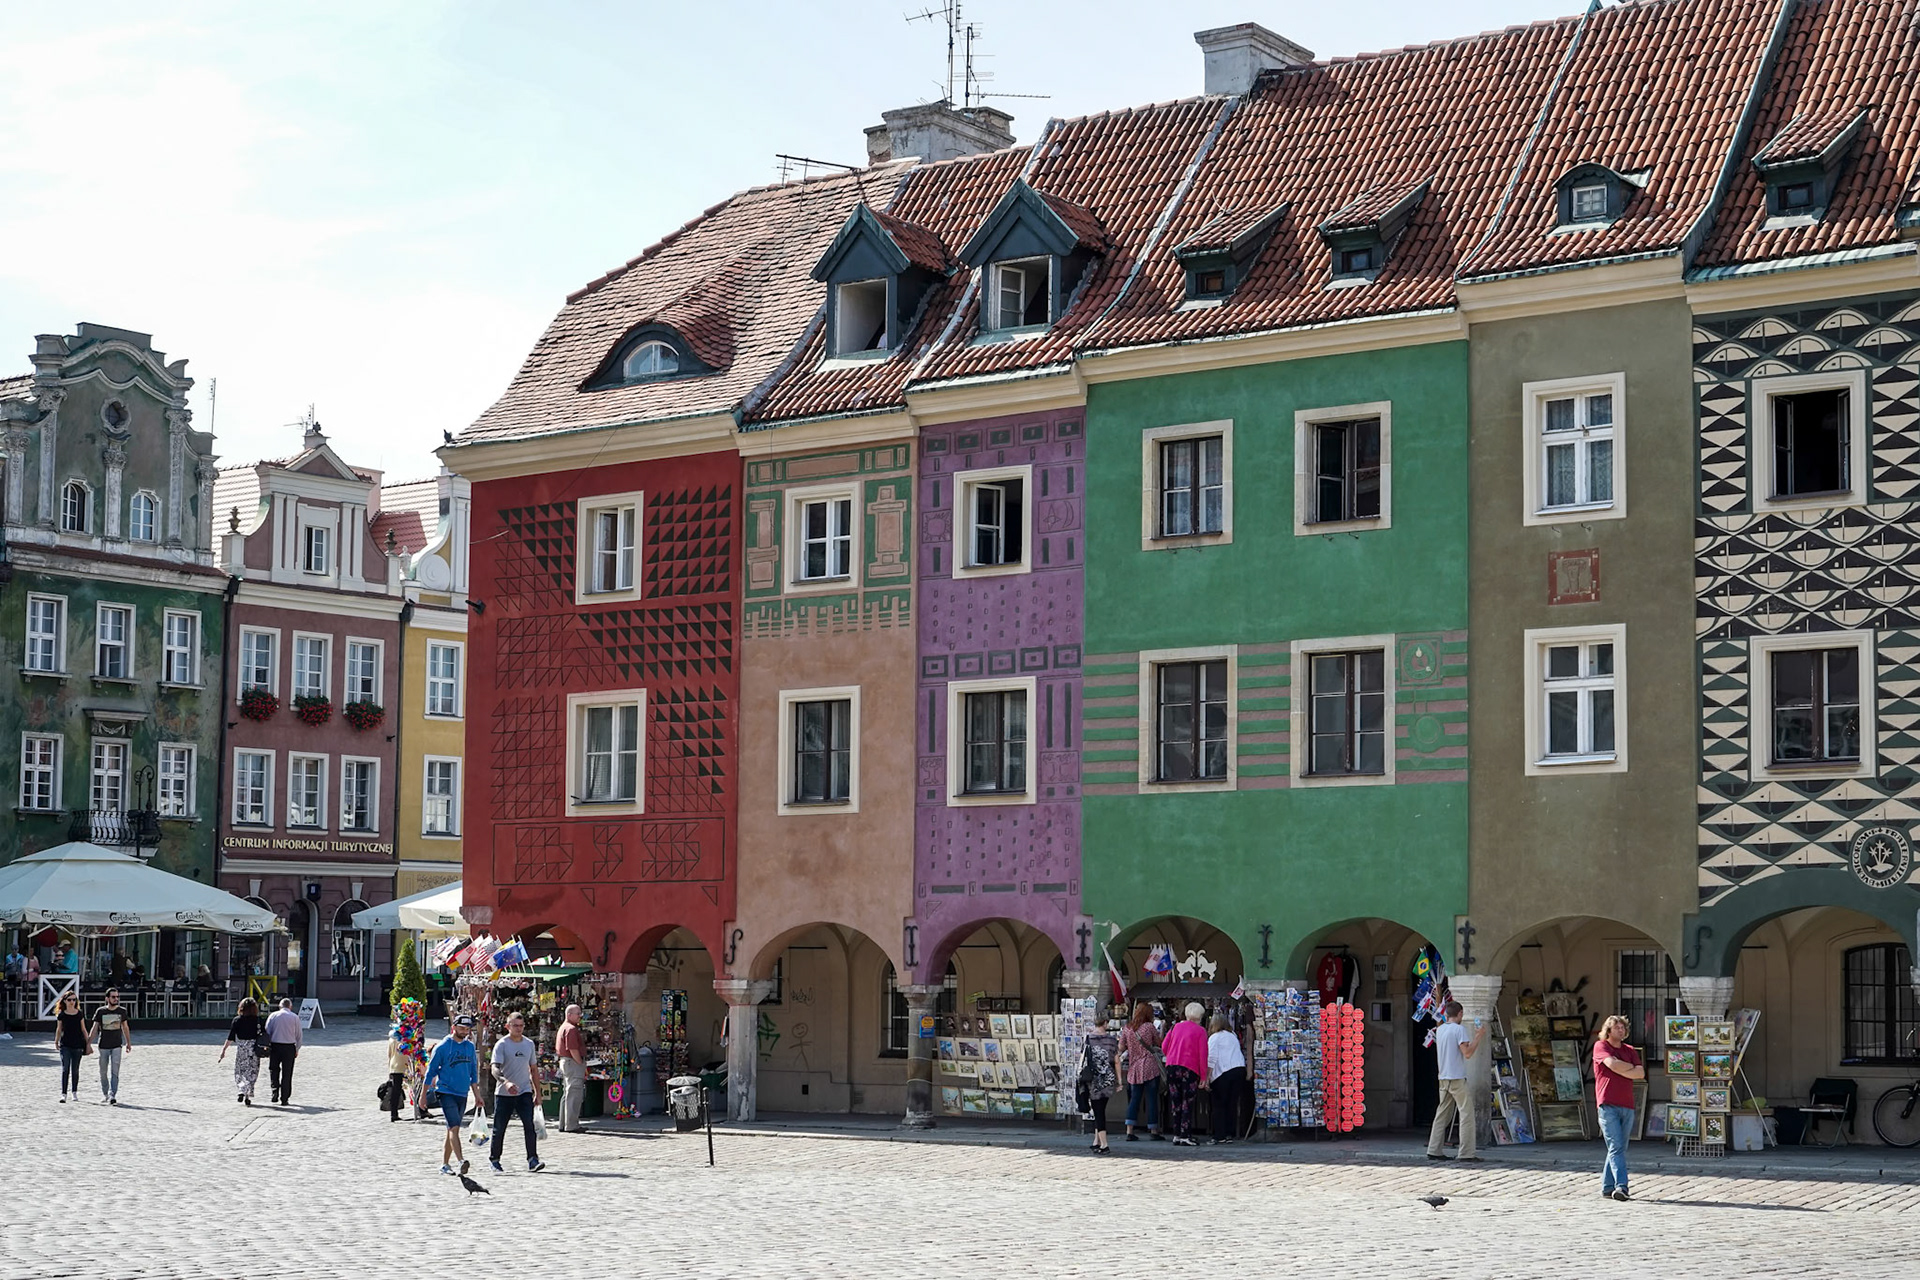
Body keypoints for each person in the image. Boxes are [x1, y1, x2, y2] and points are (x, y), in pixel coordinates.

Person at [1426, 1000, 1489, 1161]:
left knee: (1441, 1114)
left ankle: (1434, 1149)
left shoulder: (1440, 1030)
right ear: (1460, 1014)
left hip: (1443, 1077)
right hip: (1456, 1077)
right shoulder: (1459, 1030)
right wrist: (1478, 1037)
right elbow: (1467, 1053)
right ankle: (1466, 1153)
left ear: (1447, 1014)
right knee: (1466, 1114)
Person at [1593, 1014, 1646, 1201]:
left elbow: (1640, 1073)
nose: (1621, 1030)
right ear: (1608, 1030)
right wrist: (1628, 1068)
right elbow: (1611, 1064)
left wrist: (1625, 1068)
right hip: (1608, 1104)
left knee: (1619, 1148)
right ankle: (1622, 1187)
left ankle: (1607, 1187)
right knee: (1616, 1146)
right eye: (1617, 1027)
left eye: (1623, 1027)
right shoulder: (1601, 1046)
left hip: (1627, 1104)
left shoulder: (1630, 1049)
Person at [422, 1014, 483, 1175]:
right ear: (454, 1027)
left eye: (467, 1029)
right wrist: (422, 1096)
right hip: (445, 1091)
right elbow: (430, 1072)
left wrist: (477, 1095)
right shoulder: (442, 1047)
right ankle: (461, 1160)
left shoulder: (469, 1047)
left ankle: (444, 1164)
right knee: (454, 1127)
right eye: (462, 1028)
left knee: (451, 1129)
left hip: (462, 1093)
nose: (464, 1031)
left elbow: (473, 1073)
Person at [489, 1013, 546, 1172]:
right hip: (504, 1093)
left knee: (529, 1126)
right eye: (515, 1026)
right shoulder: (502, 1045)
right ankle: (494, 1160)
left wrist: (537, 1093)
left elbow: (533, 1069)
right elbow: (495, 1068)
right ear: (508, 1026)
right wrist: (505, 1082)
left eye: (521, 1026)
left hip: (524, 1092)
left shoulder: (528, 1044)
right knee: (499, 1128)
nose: (518, 1029)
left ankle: (533, 1160)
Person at [1159, 1002, 1209, 1147]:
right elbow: (1202, 1055)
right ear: (1200, 1016)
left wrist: (1172, 1055)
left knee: (1176, 1101)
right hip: (1189, 1068)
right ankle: (1185, 1134)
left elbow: (1164, 1046)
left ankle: (1176, 1134)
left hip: (1172, 1066)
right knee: (1187, 1101)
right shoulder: (1200, 1031)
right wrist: (1204, 1077)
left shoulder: (1175, 1027)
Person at [1116, 1001, 1163, 1141]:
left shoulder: (1127, 1028)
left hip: (1134, 1067)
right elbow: (1159, 1043)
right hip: (1150, 1067)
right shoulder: (1149, 1027)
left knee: (1134, 1099)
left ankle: (1129, 1130)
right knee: (1152, 1099)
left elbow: (1121, 1047)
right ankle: (1153, 1129)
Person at [1077, 1021, 1120, 1154]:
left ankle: (1104, 1144)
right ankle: (1097, 1141)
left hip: (1093, 1079)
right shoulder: (1112, 1040)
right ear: (1105, 1024)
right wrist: (1119, 1081)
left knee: (1098, 1111)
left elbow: (1082, 1058)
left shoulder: (1088, 1039)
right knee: (1099, 1109)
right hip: (1108, 1079)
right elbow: (1117, 1061)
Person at [1206, 1013, 1247, 1145]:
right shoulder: (1233, 1035)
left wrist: (1207, 1078)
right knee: (1232, 1103)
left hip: (1223, 1072)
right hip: (1238, 1069)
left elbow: (1211, 1059)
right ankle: (1229, 1133)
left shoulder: (1214, 1038)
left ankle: (1219, 1134)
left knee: (1219, 1105)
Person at [88, 988, 133, 1105]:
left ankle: (113, 1094)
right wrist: (88, 1043)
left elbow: (125, 1027)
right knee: (103, 1071)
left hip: (117, 1045)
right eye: (113, 997)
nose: (116, 999)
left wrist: (128, 1042)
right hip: (103, 1045)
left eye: (117, 997)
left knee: (115, 1071)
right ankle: (105, 1093)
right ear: (107, 998)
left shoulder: (122, 1011)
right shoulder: (100, 1011)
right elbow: (95, 1028)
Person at [218, 997, 265, 1105]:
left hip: (242, 1049)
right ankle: (248, 1093)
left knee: (240, 1071)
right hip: (254, 1050)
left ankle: (241, 1089)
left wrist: (224, 1050)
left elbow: (230, 1037)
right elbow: (263, 1035)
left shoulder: (237, 1020)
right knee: (252, 1071)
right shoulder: (258, 1020)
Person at [554, 1003, 588, 1133]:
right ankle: (572, 1125)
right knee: (574, 1093)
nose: (580, 1016)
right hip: (572, 1063)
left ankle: (564, 1123)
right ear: (569, 1015)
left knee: (567, 1093)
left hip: (566, 1062)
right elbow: (572, 1048)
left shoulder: (564, 1027)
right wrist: (580, 1062)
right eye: (578, 1013)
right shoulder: (571, 1029)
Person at [263, 997, 303, 1105]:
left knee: (274, 1070)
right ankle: (285, 1098)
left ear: (280, 1006)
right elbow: (299, 1035)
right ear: (290, 1006)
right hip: (289, 1047)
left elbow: (267, 1031)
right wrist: (297, 1048)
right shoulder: (295, 1017)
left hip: (275, 1046)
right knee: (287, 1073)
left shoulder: (273, 1015)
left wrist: (267, 1045)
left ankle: (274, 1092)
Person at [53, 992, 89, 1102]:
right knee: (65, 1069)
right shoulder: (62, 1015)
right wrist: (56, 1041)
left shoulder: (79, 1014)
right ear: (64, 1001)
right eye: (69, 1000)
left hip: (78, 1044)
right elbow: (59, 1029)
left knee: (75, 1069)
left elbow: (83, 1029)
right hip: (65, 1044)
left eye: (74, 1000)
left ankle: (74, 1092)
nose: (72, 1002)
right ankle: (63, 1093)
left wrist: (88, 1044)